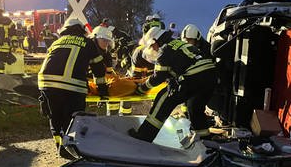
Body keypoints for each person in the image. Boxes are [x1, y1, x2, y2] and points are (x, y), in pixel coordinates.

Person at [38, 18, 113, 158]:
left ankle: (60, 145)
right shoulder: (87, 43)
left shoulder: (56, 42)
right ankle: (71, 147)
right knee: (72, 117)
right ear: (81, 30)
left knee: (55, 116)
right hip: (71, 86)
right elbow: (98, 69)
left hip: (45, 83)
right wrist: (102, 90)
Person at [130, 27, 216, 142]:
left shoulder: (164, 50)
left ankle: (144, 136)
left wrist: (142, 88)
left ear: (155, 41)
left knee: (164, 98)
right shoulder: (177, 43)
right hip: (210, 76)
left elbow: (158, 77)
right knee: (194, 107)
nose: (152, 49)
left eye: (151, 46)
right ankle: (205, 140)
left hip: (194, 76)